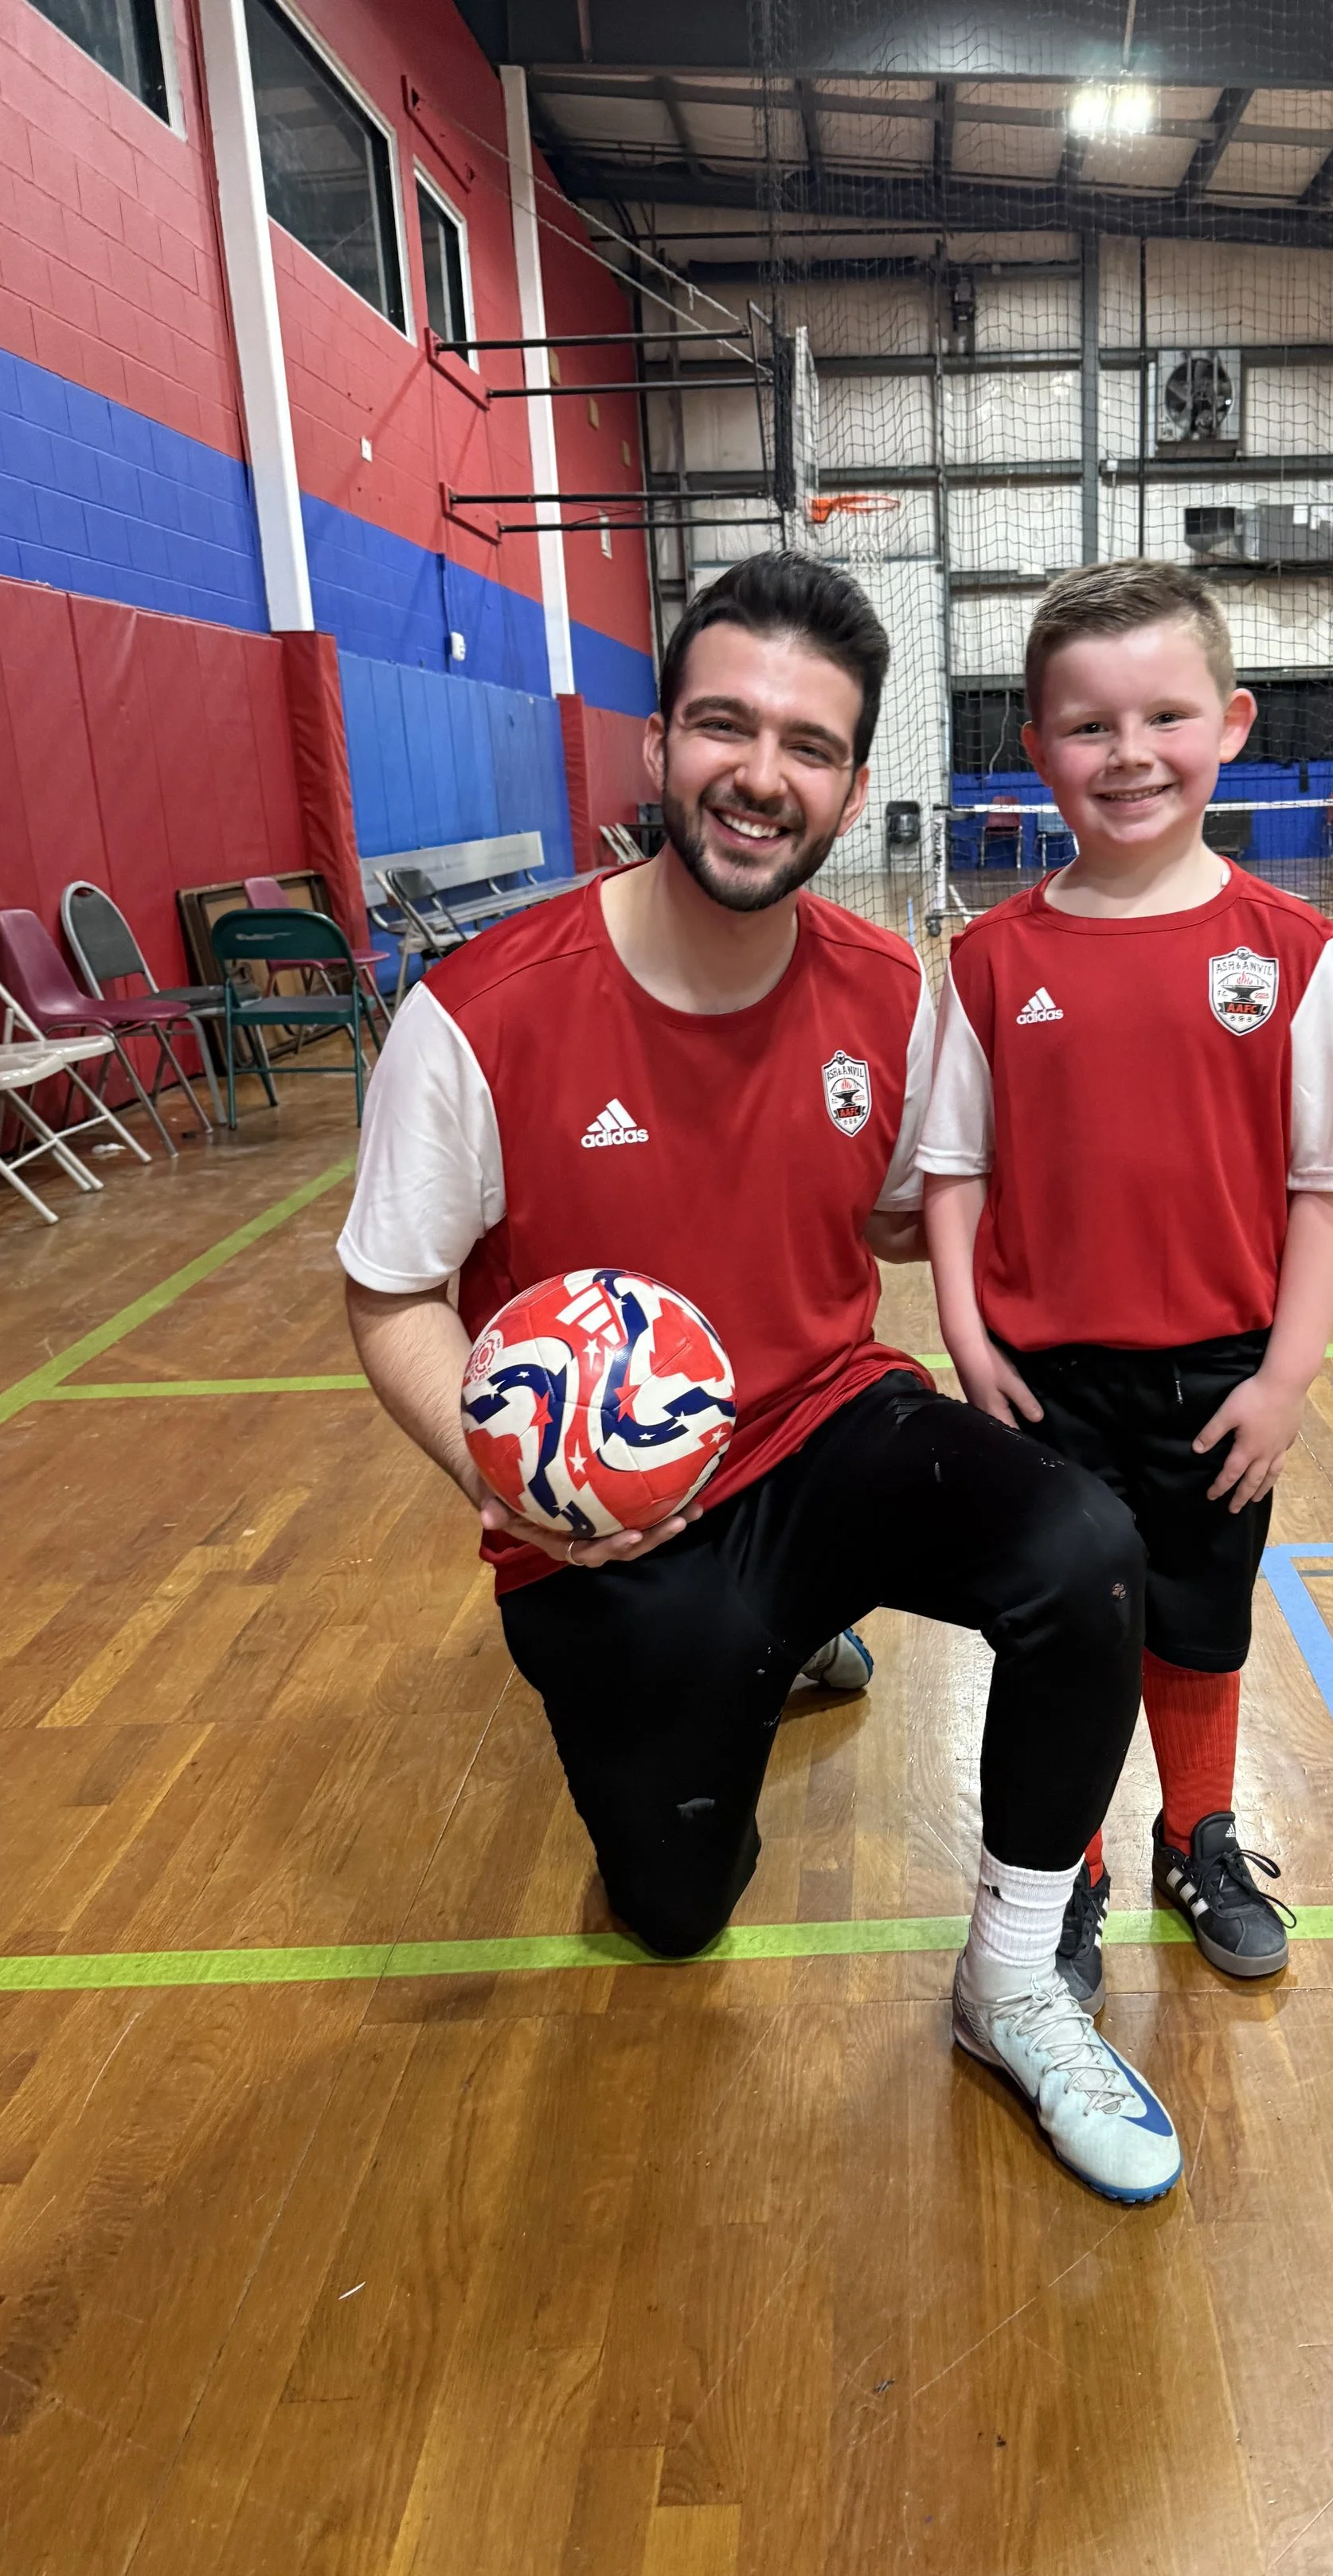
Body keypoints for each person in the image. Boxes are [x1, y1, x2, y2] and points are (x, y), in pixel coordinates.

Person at [337, 552, 1182, 2203]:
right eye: (724, 724)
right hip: (612, 1527)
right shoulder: (477, 1015)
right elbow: (390, 1299)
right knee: (674, 1913)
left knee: (1085, 1551)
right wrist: (514, 1478)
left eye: (807, 744)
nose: (760, 772)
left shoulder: (883, 991)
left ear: (850, 787)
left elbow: (876, 1225)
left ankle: (1011, 1979)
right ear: (657, 747)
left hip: (821, 1422)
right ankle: (759, 1661)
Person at [920, 559, 1333, 2012]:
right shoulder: (990, 959)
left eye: (1164, 716)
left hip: (1216, 1377)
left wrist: (1285, 1379)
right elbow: (951, 1167)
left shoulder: (1292, 955)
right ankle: (1070, 1869)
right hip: (1043, 1376)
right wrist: (964, 1331)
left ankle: (1198, 1835)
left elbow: (1331, 1190)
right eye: (1087, 726)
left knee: (1198, 1615)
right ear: (1039, 745)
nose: (1128, 755)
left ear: (1230, 724)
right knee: (1066, 1625)